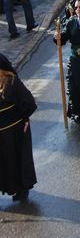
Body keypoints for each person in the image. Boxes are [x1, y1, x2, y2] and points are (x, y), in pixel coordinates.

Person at [0, 53, 37, 202]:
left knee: (15, 161)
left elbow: (28, 102)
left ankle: (21, 189)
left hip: (13, 131)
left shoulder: (12, 82)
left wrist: (25, 119)